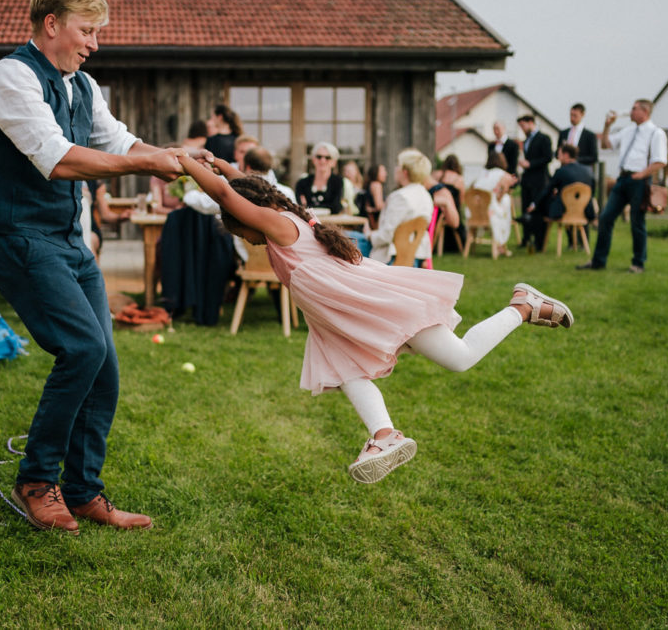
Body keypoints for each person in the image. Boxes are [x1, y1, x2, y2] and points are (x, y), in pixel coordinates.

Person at [176, 152, 574, 483]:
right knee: (343, 366)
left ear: (252, 217)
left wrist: (185, 163)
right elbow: (247, 187)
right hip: (342, 317)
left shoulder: (279, 225)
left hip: (374, 304)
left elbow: (227, 195)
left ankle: (522, 305)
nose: (248, 240)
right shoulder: (281, 207)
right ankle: (384, 434)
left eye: (244, 233)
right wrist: (220, 164)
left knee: (460, 357)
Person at [0, 0, 185, 533]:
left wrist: (174, 156)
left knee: (106, 367)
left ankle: (84, 491)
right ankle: (35, 480)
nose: (94, 43)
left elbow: (117, 141)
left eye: (97, 33)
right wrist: (147, 164)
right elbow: (58, 157)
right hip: (20, 239)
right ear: (51, 25)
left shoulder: (83, 86)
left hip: (70, 244)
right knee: (82, 348)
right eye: (87, 31)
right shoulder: (10, 77)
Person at [579, 99, 667, 273]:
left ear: (645, 111)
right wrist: (606, 127)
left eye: (634, 108)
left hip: (639, 182)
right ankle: (598, 261)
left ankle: (638, 263)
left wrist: (641, 175)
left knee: (636, 221)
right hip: (622, 180)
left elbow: (660, 161)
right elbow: (605, 144)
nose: (631, 111)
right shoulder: (628, 131)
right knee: (605, 218)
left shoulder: (655, 133)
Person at [363, 148, 434, 265]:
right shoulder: (426, 196)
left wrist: (369, 235)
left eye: (398, 166)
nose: (395, 169)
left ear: (404, 172)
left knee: (347, 240)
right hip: (415, 257)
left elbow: (386, 236)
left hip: (392, 258)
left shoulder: (400, 197)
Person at [526, 144, 596, 236]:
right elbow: (592, 191)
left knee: (540, 207)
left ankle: (537, 242)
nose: (557, 157)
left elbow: (547, 190)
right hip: (584, 211)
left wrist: (534, 204)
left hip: (563, 212)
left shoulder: (561, 171)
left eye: (559, 154)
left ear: (566, 155)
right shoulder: (588, 170)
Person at [515, 115, 552, 250]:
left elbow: (548, 158)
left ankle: (539, 241)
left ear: (531, 123)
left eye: (523, 126)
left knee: (537, 210)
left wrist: (530, 164)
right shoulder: (525, 142)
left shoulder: (544, 139)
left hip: (539, 180)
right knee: (526, 208)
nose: (522, 129)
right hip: (527, 180)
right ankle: (526, 238)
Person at [295, 142, 344, 213]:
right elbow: (300, 207)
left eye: (328, 158)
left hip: (331, 222)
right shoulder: (302, 183)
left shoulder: (338, 182)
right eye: (319, 157)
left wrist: (309, 206)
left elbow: (336, 207)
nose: (322, 161)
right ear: (313, 160)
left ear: (334, 162)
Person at [557, 103, 598, 168]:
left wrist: (574, 160)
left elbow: (594, 157)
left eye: (575, 115)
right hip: (565, 170)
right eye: (571, 115)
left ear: (582, 114)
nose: (572, 118)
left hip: (581, 171)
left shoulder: (590, 135)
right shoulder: (563, 133)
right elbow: (558, 152)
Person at [359, 163, 386, 227]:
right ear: (376, 173)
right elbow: (379, 206)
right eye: (383, 171)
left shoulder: (370, 184)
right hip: (375, 221)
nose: (386, 174)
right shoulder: (376, 185)